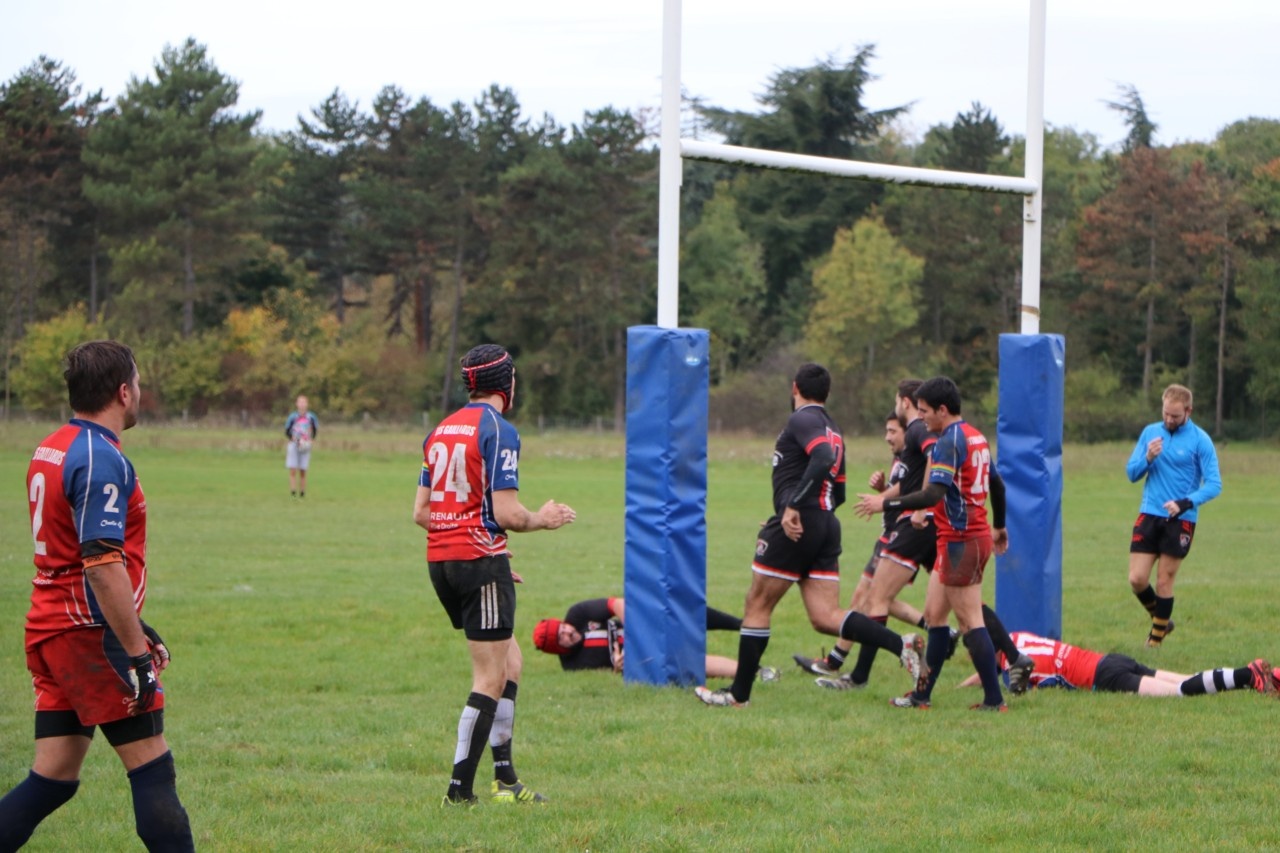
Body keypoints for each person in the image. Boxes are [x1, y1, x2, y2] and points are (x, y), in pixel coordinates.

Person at [0, 340, 195, 851]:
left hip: (51, 627)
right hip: (87, 632)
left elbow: (77, 556)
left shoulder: (53, 446)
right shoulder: (100, 456)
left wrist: (132, 621)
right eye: (139, 383)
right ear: (123, 392)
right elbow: (102, 563)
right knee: (153, 768)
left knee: (54, 776)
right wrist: (136, 655)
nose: (141, 393)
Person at [694, 363, 925, 709]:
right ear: (827, 393)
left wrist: (793, 507)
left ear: (794, 388)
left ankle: (738, 695)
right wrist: (809, 513)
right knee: (825, 616)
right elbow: (839, 491)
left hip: (798, 524)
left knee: (757, 604)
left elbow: (822, 456)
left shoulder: (802, 419)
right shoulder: (833, 427)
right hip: (825, 523)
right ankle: (899, 644)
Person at [413, 344, 576, 807]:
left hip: (443, 562)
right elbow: (508, 513)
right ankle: (458, 793)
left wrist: (486, 555)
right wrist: (542, 519)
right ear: (507, 383)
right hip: (475, 561)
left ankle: (505, 781)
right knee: (488, 677)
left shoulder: (440, 430)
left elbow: (422, 512)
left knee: (511, 664)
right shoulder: (499, 430)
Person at [856, 375, 1010, 712]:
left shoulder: (948, 442)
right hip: (964, 538)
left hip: (961, 541)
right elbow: (997, 485)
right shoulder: (976, 436)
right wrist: (999, 526)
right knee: (935, 617)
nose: (921, 417)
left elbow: (931, 494)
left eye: (925, 411)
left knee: (970, 621)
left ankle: (994, 700)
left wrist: (886, 502)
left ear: (942, 410)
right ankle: (922, 696)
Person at [1125, 383, 1222, 647]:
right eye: (1166, 413)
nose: (1169, 419)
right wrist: (1147, 458)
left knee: (1164, 581)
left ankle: (1154, 643)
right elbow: (1132, 473)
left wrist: (1185, 503)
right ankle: (1163, 621)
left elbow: (1215, 484)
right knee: (1137, 579)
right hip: (1149, 514)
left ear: (1189, 411)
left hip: (1181, 519)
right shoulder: (1150, 433)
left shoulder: (1200, 440)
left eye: (1176, 416)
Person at [961, 631, 1276, 698]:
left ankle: (1247, 675)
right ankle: (1266, 676)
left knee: (1180, 692)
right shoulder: (1016, 638)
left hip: (1103, 676)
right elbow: (989, 669)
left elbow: (1008, 680)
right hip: (1109, 660)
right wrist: (966, 682)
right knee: (1187, 678)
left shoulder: (1016, 670)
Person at [531, 597, 779, 681]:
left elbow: (618, 604)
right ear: (559, 650)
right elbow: (611, 674)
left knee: (683, 614)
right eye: (561, 638)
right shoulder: (573, 666)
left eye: (562, 628)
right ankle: (756, 673)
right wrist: (620, 666)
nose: (568, 632)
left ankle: (743, 626)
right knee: (691, 664)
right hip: (644, 658)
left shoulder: (577, 614)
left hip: (644, 627)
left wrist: (633, 639)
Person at [284, 394, 319, 498]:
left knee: (303, 469)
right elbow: (287, 431)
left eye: (304, 402)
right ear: (297, 404)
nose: (302, 404)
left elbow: (314, 430)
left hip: (305, 445)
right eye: (300, 402)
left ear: (307, 404)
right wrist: (293, 439)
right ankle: (293, 491)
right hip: (294, 444)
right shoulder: (293, 417)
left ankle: (302, 492)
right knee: (293, 469)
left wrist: (311, 440)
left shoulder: (311, 417)